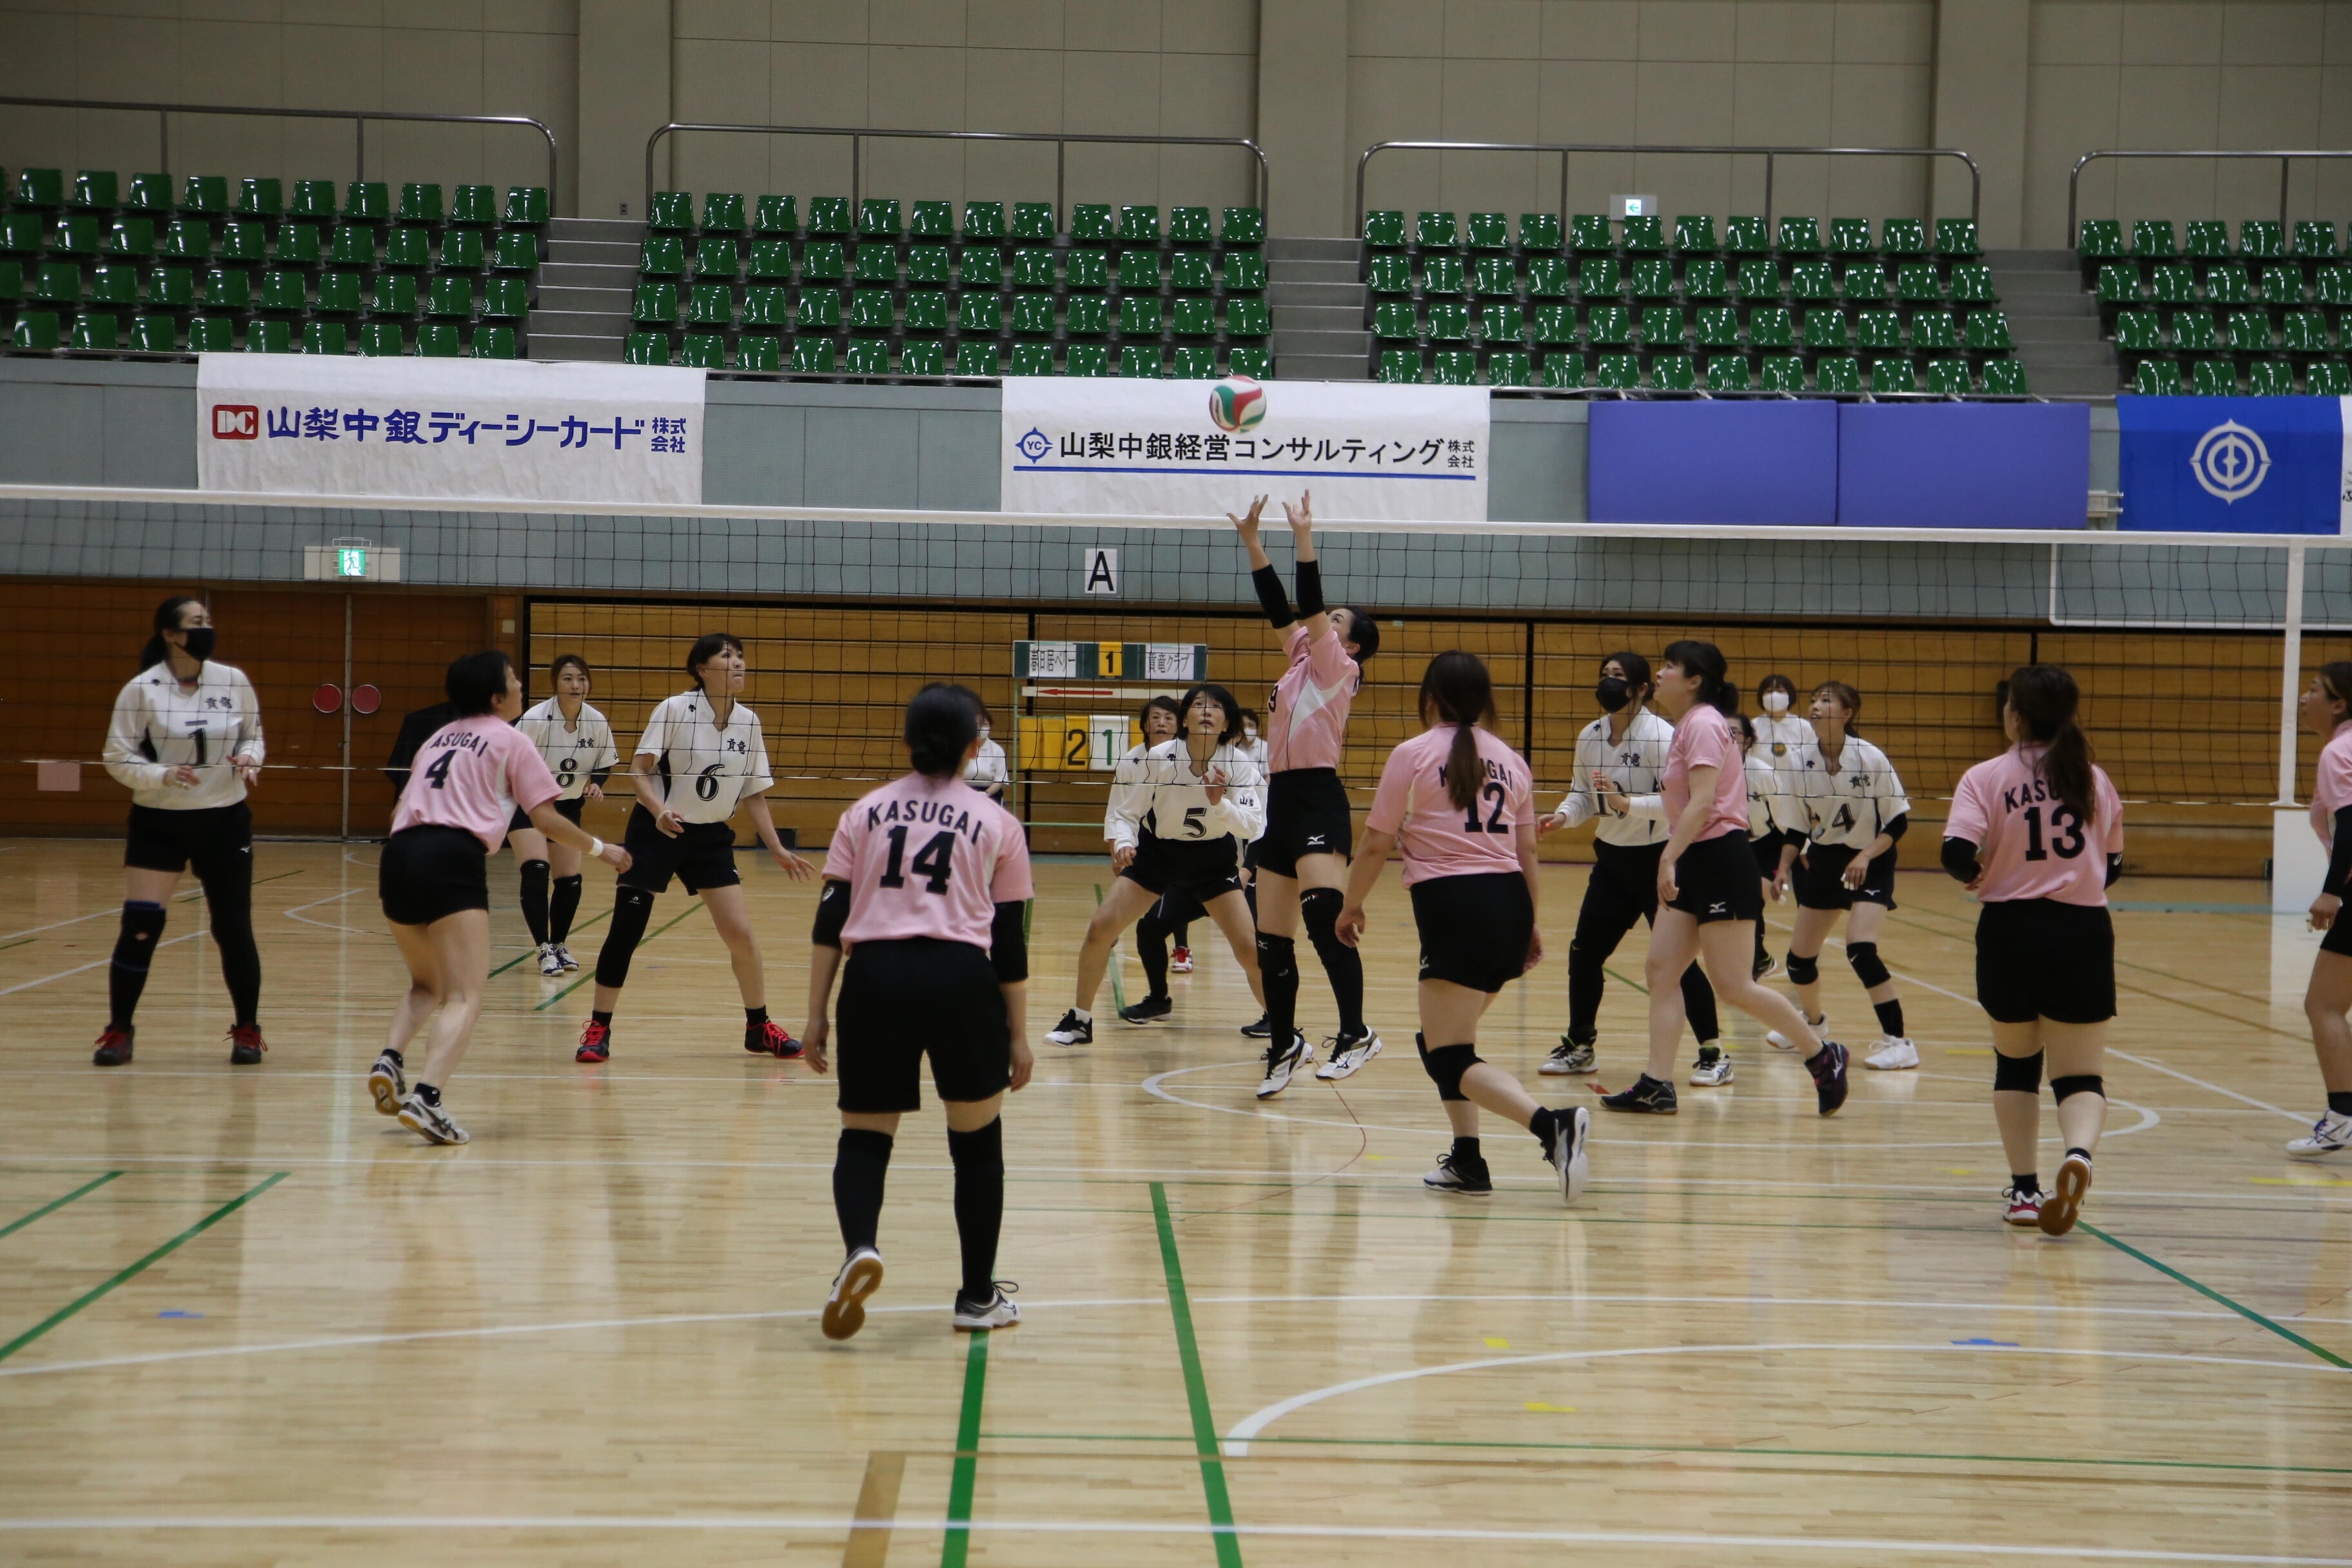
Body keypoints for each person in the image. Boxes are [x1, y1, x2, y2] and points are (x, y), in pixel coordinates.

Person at [805, 683, 1034, 1337]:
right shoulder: (997, 822)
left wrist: (816, 1015)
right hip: (961, 978)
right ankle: (977, 1297)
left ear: (906, 742)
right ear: (974, 747)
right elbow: (1009, 941)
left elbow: (830, 920)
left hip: (874, 977)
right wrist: (1019, 1035)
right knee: (977, 1145)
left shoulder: (865, 811)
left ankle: (861, 1247)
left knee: (864, 1136)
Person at [1337, 652, 1589, 1202]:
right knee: (1444, 1043)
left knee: (1448, 1055)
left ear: (1429, 699)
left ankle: (1553, 1126)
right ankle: (1468, 1162)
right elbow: (1526, 851)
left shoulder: (1413, 754)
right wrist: (1531, 922)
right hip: (1508, 903)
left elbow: (1376, 842)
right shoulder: (1513, 761)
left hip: (1455, 906)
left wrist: (1350, 905)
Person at [368, 652, 631, 1144]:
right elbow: (547, 819)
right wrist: (603, 850)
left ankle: (390, 1059)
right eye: (513, 679)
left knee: (426, 984)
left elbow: (399, 808)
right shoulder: (512, 739)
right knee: (465, 994)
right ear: (495, 697)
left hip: (398, 854)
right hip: (451, 855)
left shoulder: (436, 739)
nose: (520, 686)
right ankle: (427, 1099)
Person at [1607, 641, 1848, 1116]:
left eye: (1670, 667)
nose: (1660, 674)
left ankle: (1823, 1055)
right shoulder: (1687, 726)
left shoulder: (1702, 724)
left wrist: (1667, 858)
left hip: (1719, 858)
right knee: (1662, 970)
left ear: (1694, 681)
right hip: (1696, 857)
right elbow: (1682, 804)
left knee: (1734, 986)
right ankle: (1658, 1084)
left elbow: (1702, 802)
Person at [576, 632, 816, 1064]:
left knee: (740, 933)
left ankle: (758, 1028)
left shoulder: (749, 722)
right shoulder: (674, 710)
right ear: (702, 670)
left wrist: (777, 849)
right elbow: (639, 771)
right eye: (727, 656)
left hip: (710, 838)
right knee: (627, 928)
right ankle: (598, 1028)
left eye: (740, 656)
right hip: (658, 831)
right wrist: (659, 811)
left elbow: (754, 793)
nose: (738, 663)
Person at [1943, 665, 2123, 1232]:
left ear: (2015, 716)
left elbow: (1954, 852)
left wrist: (1976, 872)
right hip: (2082, 931)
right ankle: (2079, 1155)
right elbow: (2113, 864)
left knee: (2016, 1067)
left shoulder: (1985, 776)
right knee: (2080, 1076)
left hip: (2010, 931)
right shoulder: (2093, 779)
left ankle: (2024, 1192)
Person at [1231, 491, 1385, 1092]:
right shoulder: (1301, 659)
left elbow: (1308, 601)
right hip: (1282, 800)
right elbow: (1278, 606)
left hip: (1319, 797)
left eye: (1337, 621)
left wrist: (1303, 536)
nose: (1324, 621)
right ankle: (1285, 1045)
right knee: (1272, 940)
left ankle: (1356, 1032)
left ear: (1351, 644)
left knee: (1325, 918)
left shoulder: (1340, 667)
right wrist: (1252, 541)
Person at [1536, 651, 1728, 1086]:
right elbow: (1583, 795)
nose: (1609, 682)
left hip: (1659, 861)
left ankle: (1713, 1053)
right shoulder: (1590, 736)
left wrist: (1627, 804)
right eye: (1604, 674)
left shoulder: (1663, 737)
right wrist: (1564, 816)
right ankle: (1580, 1044)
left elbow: (1678, 804)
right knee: (1585, 952)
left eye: (1619, 676)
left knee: (1678, 963)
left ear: (1641, 689)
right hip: (1612, 861)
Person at [94, 595, 269, 1068]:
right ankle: (119, 1030)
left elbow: (253, 734)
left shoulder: (232, 680)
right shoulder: (141, 690)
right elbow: (117, 757)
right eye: (196, 622)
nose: (206, 628)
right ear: (170, 635)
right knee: (141, 927)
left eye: (208, 620)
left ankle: (247, 1029)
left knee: (233, 928)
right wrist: (162, 775)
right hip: (159, 822)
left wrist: (250, 758)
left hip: (224, 820)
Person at [1044, 685, 1269, 1042]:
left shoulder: (1240, 764)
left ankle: (1281, 1028)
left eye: (1215, 707)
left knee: (1249, 951)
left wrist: (1219, 803)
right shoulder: (1160, 757)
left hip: (1213, 860)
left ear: (1227, 723)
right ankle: (1079, 1021)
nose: (1206, 710)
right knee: (1100, 929)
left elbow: (1253, 826)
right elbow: (1127, 812)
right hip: (1159, 853)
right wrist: (1124, 842)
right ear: (1185, 719)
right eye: (1198, 704)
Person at [1769, 682, 1917, 1071]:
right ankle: (1813, 1024)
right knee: (1799, 960)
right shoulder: (1798, 762)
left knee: (1860, 949)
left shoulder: (1870, 757)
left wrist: (1865, 856)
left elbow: (1898, 821)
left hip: (1871, 858)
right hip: (1825, 859)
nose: (1816, 706)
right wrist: (1783, 868)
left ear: (1848, 713)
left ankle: (1899, 1043)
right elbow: (1796, 829)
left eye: (1826, 701)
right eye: (1813, 701)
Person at [510, 654, 620, 976]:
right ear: (556, 684)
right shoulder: (535, 718)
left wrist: (597, 783)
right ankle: (543, 948)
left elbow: (604, 763)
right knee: (536, 870)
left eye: (581, 679)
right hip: (528, 806)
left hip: (568, 806)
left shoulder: (596, 721)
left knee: (569, 881)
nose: (575, 685)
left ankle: (559, 944)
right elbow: (513, 762)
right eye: (568, 678)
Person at [2293, 662, 2352, 1159]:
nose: (2303, 697)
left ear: (2339, 704)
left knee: (2324, 1005)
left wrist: (2332, 892)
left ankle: (2342, 1120)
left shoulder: (2339, 752)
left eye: (2314, 690)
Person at [1749, 673, 1807, 979]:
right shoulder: (1753, 727)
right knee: (1753, 890)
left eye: (1780, 689)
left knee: (1808, 887)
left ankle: (1806, 949)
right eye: (1768, 689)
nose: (1774, 694)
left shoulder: (1804, 728)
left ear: (1791, 694)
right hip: (1765, 820)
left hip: (1800, 817)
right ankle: (1757, 956)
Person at [964, 709, 1010, 802]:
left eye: (984, 724)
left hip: (990, 794)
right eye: (977, 723)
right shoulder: (961, 748)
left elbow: (1000, 780)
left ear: (990, 726)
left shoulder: (997, 750)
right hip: (963, 793)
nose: (980, 727)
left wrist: (986, 794)